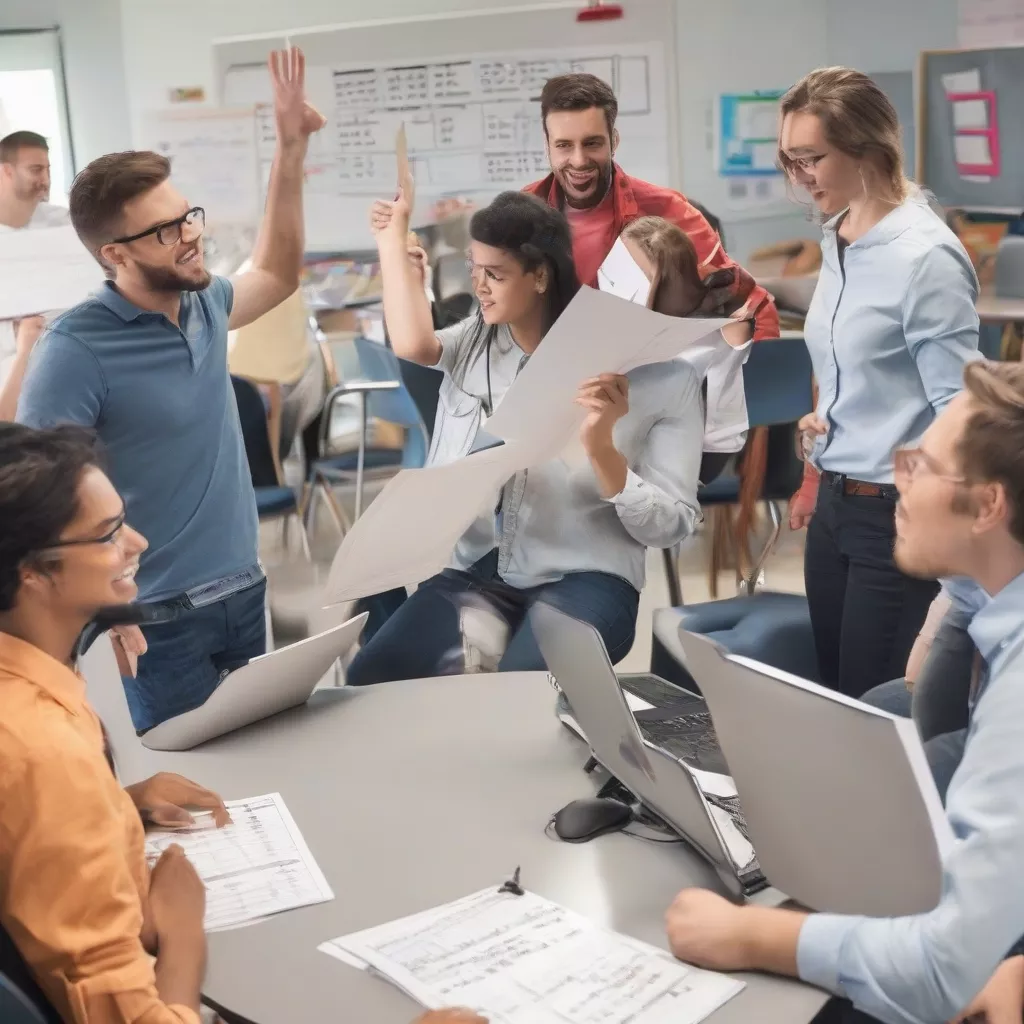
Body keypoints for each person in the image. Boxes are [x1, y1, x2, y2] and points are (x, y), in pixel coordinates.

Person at [663, 359, 1024, 1024]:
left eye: (917, 468)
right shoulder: (999, 588)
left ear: (990, 506)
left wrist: (751, 936)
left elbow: (945, 971)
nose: (896, 485)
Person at [16, 48, 324, 734]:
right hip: (155, 614)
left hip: (244, 585)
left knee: (264, 764)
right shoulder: (77, 349)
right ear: (114, 255)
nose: (191, 238)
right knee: (195, 784)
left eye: (189, 217)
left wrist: (291, 147)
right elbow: (38, 496)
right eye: (165, 231)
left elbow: (276, 269)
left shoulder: (205, 301)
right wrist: (105, 608)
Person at [347, 187, 704, 684]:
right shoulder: (483, 339)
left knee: (519, 692)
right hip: (482, 571)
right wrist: (392, 246)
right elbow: (413, 344)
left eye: (494, 274)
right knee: (374, 675)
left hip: (588, 575)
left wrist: (603, 453)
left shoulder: (669, 382)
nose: (481, 287)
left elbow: (671, 525)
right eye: (477, 271)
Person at [0, 422, 229, 1023]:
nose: (138, 541)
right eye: (107, 536)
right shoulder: (44, 753)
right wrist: (184, 933)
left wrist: (115, 806)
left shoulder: (26, 686)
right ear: (32, 571)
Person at [780, 67, 979, 698]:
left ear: (867, 149)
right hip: (837, 504)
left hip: (895, 513)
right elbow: (857, 368)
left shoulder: (926, 257)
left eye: (810, 158)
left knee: (874, 708)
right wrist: (828, 420)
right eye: (789, 161)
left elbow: (961, 415)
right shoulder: (838, 235)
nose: (799, 176)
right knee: (836, 690)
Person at [523, 73, 778, 344]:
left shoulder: (668, 212)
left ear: (614, 141)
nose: (578, 160)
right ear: (547, 146)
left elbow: (754, 308)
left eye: (592, 143)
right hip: (549, 375)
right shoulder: (519, 216)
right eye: (564, 145)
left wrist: (748, 376)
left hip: (646, 378)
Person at [614, 215, 759, 480]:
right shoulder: (625, 317)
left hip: (699, 450)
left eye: (634, 273)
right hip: (645, 441)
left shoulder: (721, 325)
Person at [0, 130, 70, 420]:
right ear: (6, 171)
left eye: (48, 169)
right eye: (35, 169)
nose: (45, 179)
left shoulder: (64, 223)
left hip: (61, 355)